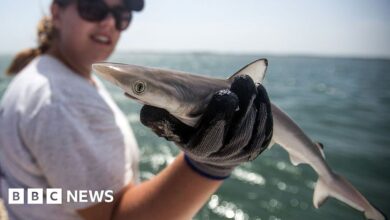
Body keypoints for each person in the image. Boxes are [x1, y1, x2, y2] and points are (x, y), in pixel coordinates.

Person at [0, 0, 273, 219]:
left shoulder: (47, 75)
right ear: (56, 13)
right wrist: (210, 163)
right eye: (93, 8)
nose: (109, 23)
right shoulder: (62, 101)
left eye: (122, 15)